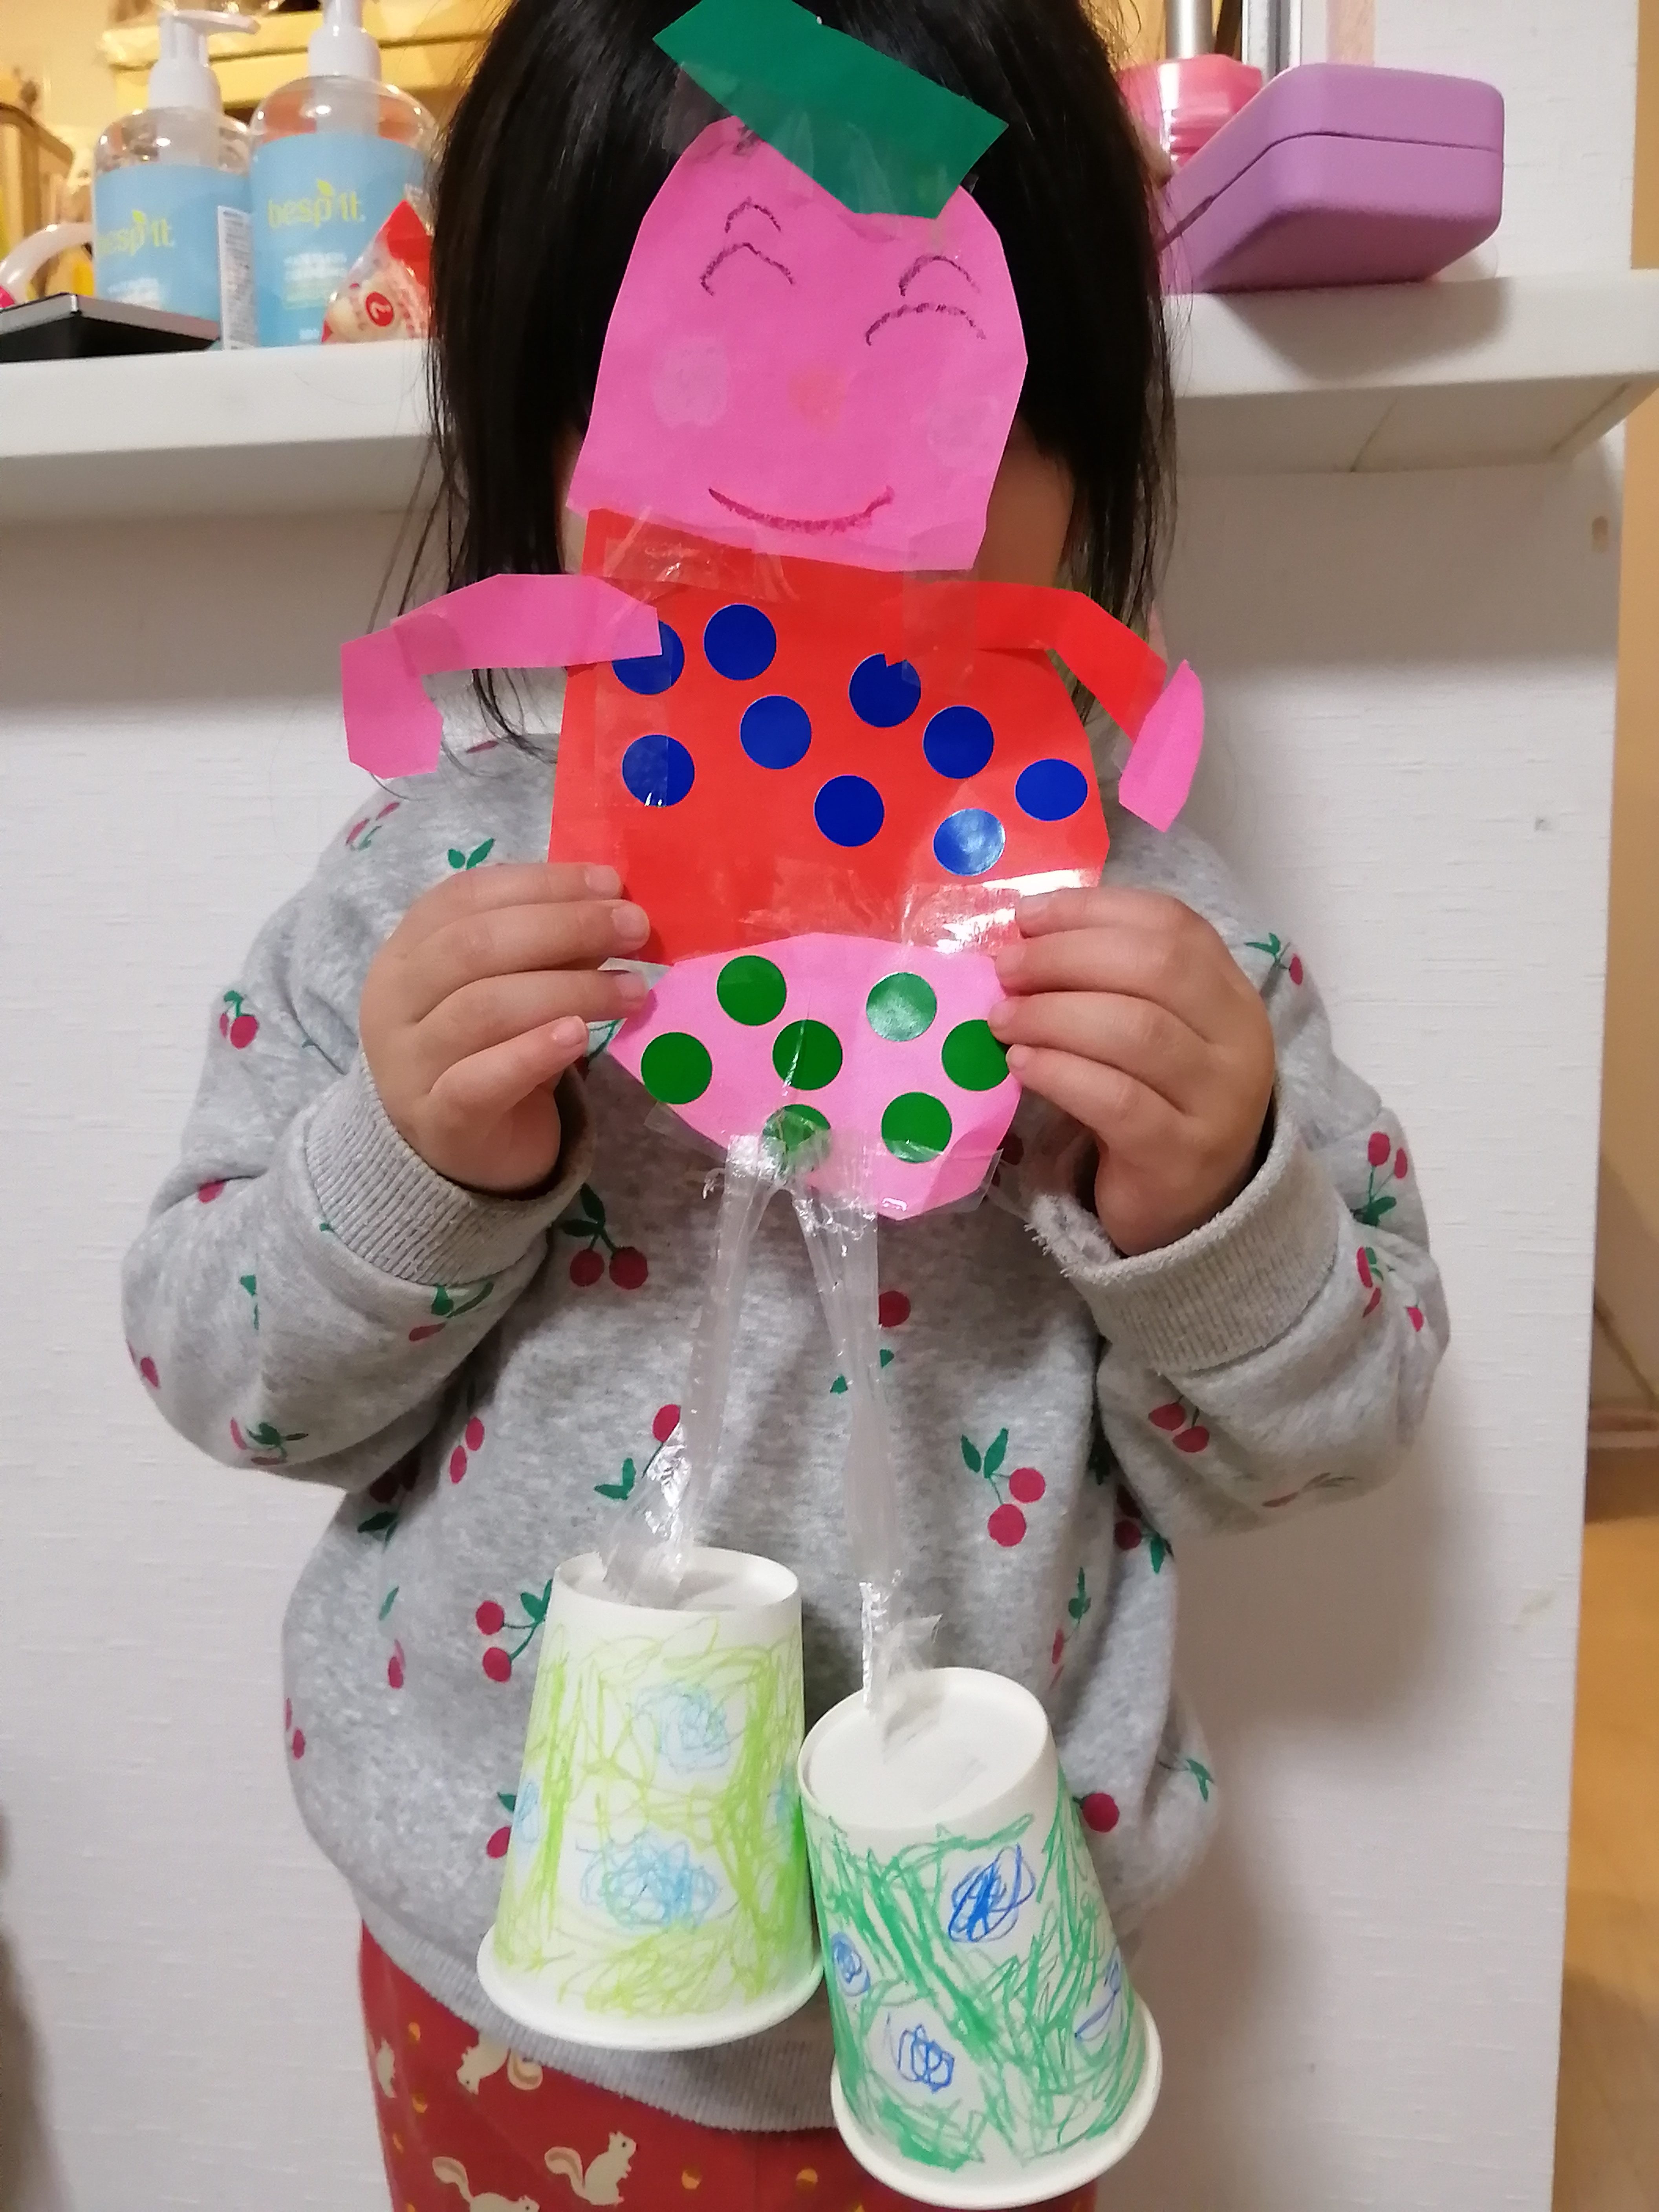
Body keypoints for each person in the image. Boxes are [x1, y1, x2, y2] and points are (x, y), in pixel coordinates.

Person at [122, 2, 1448, 2207]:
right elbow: (220, 1372)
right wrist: (413, 1161)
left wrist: (1212, 1198)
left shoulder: (1149, 934)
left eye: (930, 355)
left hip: (986, 1966)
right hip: (507, 1967)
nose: (824, 465)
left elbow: (1342, 1427)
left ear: (1081, 422)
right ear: (539, 414)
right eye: (712, 351)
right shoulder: (425, 900)